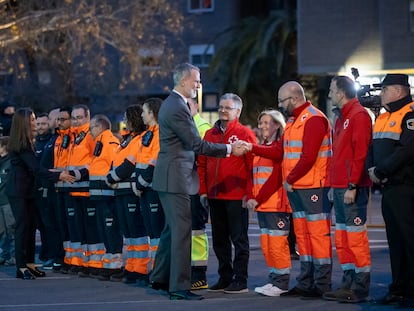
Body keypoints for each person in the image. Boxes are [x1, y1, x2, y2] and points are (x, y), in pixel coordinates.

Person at [150, 63, 243, 301]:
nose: (199, 85)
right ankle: (179, 287)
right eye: (196, 80)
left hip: (171, 177)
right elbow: (197, 145)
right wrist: (230, 148)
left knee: (171, 230)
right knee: (181, 232)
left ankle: (160, 278)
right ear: (183, 81)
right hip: (175, 178)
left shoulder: (174, 104)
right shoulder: (177, 107)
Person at [242, 81, 333, 298]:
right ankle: (306, 281)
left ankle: (321, 284)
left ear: (293, 98)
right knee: (303, 237)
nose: (281, 105)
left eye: (282, 101)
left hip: (313, 187)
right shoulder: (294, 121)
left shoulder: (313, 118)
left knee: (317, 237)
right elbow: (280, 152)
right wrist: (252, 147)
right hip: (299, 188)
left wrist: (289, 179)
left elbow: (308, 156)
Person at [6, 107, 75, 280]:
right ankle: (21, 266)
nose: (34, 123)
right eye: (32, 120)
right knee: (22, 228)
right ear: (24, 123)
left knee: (30, 227)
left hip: (28, 190)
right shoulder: (21, 144)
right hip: (19, 191)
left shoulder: (28, 142)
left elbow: (36, 168)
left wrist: (52, 171)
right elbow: (36, 169)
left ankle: (29, 263)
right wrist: (58, 175)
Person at [198, 93, 256, 294]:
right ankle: (225, 277)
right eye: (221, 107)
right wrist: (203, 191)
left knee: (239, 240)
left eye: (228, 107)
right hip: (215, 196)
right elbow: (202, 164)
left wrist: (249, 194)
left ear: (237, 111)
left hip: (236, 196)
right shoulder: (209, 134)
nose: (223, 110)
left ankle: (241, 280)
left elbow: (252, 167)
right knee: (220, 240)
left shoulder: (245, 133)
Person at [321, 76, 372, 303]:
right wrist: (334, 184)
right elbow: (340, 155)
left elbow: (360, 153)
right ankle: (348, 283)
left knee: (355, 239)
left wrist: (352, 185)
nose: (329, 93)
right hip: (341, 187)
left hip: (352, 188)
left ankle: (359, 288)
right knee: (343, 237)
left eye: (332, 90)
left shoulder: (358, 115)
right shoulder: (343, 117)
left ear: (341, 93)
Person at [367, 74, 414, 309]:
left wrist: (380, 170)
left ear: (398, 90)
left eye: (384, 90)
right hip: (388, 188)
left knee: (410, 241)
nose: (381, 94)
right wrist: (371, 170)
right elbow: (372, 146)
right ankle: (398, 289)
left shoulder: (411, 114)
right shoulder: (384, 117)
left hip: (406, 187)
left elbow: (407, 151)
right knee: (395, 242)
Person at [246, 109, 292, 297]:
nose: (263, 126)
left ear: (277, 125)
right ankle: (274, 279)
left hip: (275, 204)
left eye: (267, 122)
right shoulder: (262, 147)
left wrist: (257, 198)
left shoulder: (279, 148)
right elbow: (253, 175)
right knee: (267, 244)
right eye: (261, 122)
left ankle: (281, 283)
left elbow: (275, 178)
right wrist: (251, 197)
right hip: (263, 205)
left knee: (277, 244)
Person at [105, 104, 149, 284]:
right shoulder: (127, 139)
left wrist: (110, 177)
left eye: (127, 118)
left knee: (137, 231)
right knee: (129, 233)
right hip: (120, 191)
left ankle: (141, 270)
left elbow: (128, 165)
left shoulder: (140, 139)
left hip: (131, 191)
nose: (124, 122)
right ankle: (131, 267)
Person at [87, 114, 120, 280]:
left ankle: (116, 267)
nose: (89, 131)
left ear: (100, 127)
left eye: (92, 127)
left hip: (107, 196)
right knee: (104, 231)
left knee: (111, 231)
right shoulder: (100, 143)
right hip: (100, 196)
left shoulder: (110, 142)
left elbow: (115, 166)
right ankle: (109, 265)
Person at [135, 98, 165, 280]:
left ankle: (159, 271)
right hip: (144, 188)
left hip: (152, 188)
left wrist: (140, 182)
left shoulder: (160, 132)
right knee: (152, 233)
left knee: (157, 231)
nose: (142, 115)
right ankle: (155, 270)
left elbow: (154, 161)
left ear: (152, 113)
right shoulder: (148, 133)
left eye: (144, 111)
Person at [187, 97, 211, 290]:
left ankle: (199, 274)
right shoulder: (180, 125)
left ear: (196, 105)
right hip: (183, 186)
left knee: (197, 230)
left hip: (195, 186)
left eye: (188, 105)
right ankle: (187, 272)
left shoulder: (203, 127)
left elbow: (204, 159)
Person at [34, 113, 53, 266]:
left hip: (48, 189)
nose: (40, 127)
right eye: (38, 124)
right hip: (35, 190)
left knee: (49, 223)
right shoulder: (34, 144)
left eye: (43, 124)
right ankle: (45, 252)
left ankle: (50, 253)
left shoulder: (52, 142)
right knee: (40, 224)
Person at [0, 136, 15, 266]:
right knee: (2, 231)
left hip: (8, 201)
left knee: (11, 229)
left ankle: (14, 255)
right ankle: (4, 254)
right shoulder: (1, 162)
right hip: (1, 200)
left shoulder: (11, 162)